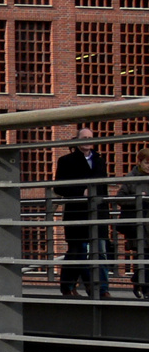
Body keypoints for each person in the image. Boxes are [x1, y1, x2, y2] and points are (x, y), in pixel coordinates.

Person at [54, 128, 111, 298]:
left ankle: (101, 289)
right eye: (84, 137)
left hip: (97, 213)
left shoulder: (100, 160)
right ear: (77, 140)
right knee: (76, 252)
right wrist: (81, 192)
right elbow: (59, 187)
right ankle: (68, 287)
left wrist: (105, 210)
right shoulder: (66, 161)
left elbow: (104, 187)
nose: (88, 140)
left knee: (100, 252)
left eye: (90, 138)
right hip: (77, 213)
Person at [118, 146, 149, 300]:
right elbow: (120, 198)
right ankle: (144, 286)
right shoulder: (132, 178)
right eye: (147, 163)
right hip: (138, 226)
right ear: (140, 162)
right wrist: (138, 198)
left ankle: (138, 281)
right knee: (143, 256)